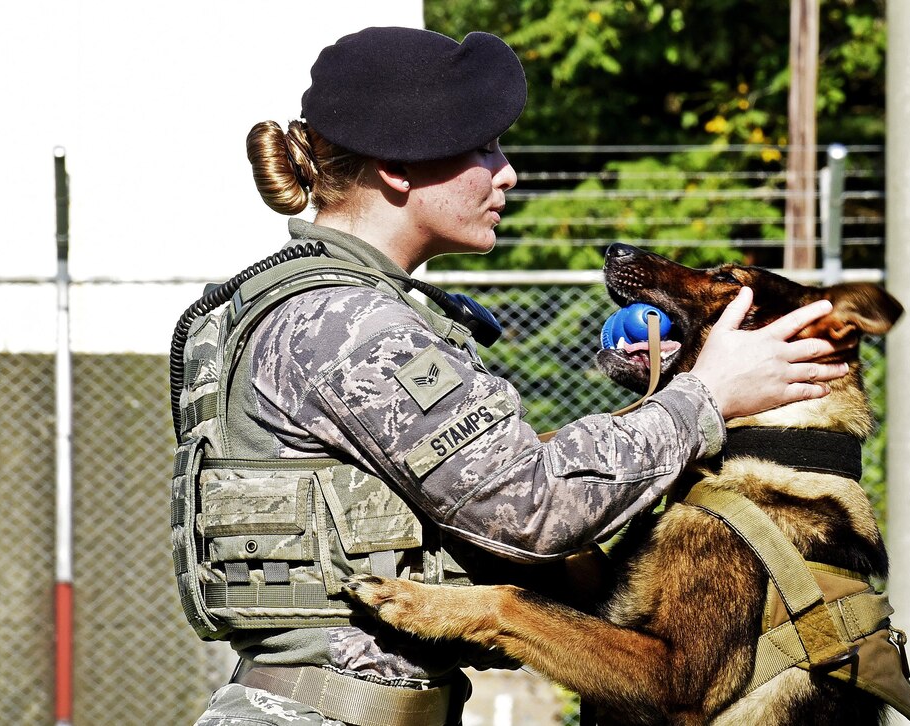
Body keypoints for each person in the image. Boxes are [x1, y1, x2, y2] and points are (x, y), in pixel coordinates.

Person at [186, 25, 848, 726]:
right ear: (398, 168)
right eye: (482, 146)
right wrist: (706, 398)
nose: (506, 172)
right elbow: (529, 507)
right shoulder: (349, 327)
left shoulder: (325, 308)